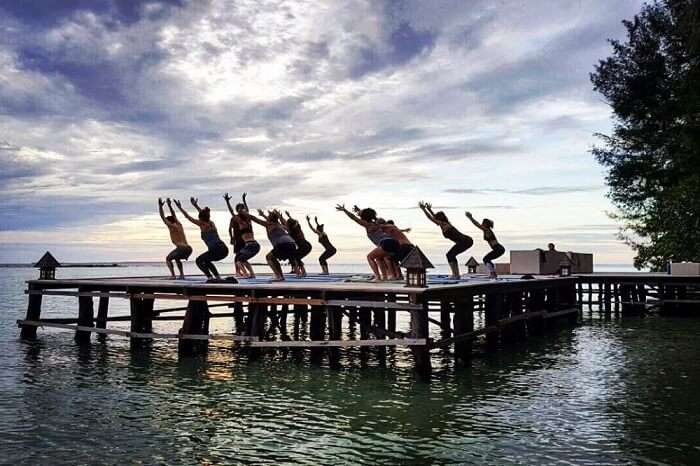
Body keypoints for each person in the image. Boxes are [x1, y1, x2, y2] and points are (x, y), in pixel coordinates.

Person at [336, 204, 399, 280]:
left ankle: (377, 277)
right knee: (379, 258)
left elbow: (354, 218)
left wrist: (345, 210)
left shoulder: (367, 224)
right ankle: (385, 277)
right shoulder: (376, 222)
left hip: (386, 242)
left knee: (369, 257)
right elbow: (368, 215)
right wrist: (359, 210)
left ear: (364, 217)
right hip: (394, 242)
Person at [173, 197, 230, 282]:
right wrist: (195, 205)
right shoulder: (211, 223)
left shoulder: (202, 224)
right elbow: (204, 214)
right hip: (223, 249)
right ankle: (217, 278)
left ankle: (210, 277)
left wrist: (179, 207)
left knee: (199, 260)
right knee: (206, 260)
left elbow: (187, 217)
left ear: (201, 218)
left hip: (216, 249)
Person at [419, 201, 473, 279]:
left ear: (439, 219)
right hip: (465, 241)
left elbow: (431, 218)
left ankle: (456, 275)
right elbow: (434, 217)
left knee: (450, 255)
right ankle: (456, 274)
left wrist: (423, 209)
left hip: (465, 241)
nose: (435, 220)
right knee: (451, 255)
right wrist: (429, 209)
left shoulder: (444, 224)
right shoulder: (444, 223)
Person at [248, 207, 298, 281]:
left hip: (283, 244)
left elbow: (255, 219)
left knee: (269, 257)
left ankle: (279, 276)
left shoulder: (269, 224)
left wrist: (245, 214)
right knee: (273, 257)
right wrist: (276, 215)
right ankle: (280, 276)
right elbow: (286, 225)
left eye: (269, 215)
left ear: (271, 218)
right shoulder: (279, 225)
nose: (267, 216)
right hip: (293, 244)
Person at [224, 192, 260, 278]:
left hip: (247, 241)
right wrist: (231, 237)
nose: (241, 209)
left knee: (240, 258)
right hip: (239, 238)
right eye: (239, 208)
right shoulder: (236, 218)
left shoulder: (246, 219)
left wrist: (244, 200)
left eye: (242, 208)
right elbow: (230, 226)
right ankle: (239, 272)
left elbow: (245, 210)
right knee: (238, 256)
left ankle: (246, 273)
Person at [158, 198, 192, 279]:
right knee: (177, 258)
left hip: (182, 248)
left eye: (167, 222)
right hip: (189, 248)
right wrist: (170, 205)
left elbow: (162, 217)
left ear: (169, 222)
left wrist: (160, 207)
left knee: (168, 259)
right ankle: (182, 275)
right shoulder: (179, 225)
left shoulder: (171, 226)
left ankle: (173, 276)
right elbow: (174, 215)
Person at [465, 211, 505, 279]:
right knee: (487, 259)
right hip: (498, 248)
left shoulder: (487, 230)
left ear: (485, 224)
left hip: (498, 248)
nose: (481, 224)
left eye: (483, 223)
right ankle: (493, 273)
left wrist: (470, 218)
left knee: (486, 259)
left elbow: (477, 224)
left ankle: (493, 274)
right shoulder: (487, 230)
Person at [282, 211, 311, 277]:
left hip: (304, 246)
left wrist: (279, 218)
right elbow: (294, 222)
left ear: (289, 225)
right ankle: (303, 272)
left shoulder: (291, 230)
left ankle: (298, 273)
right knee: (297, 258)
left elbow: (284, 225)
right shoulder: (297, 227)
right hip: (307, 245)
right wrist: (289, 216)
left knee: (292, 257)